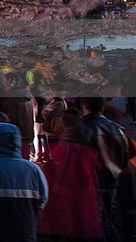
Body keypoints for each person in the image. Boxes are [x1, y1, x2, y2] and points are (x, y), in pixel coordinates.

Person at [37, 113, 104, 241]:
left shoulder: (62, 149)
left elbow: (52, 177)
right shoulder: (87, 151)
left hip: (62, 211)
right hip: (85, 210)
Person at [82, 95, 130, 242]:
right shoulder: (117, 128)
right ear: (103, 107)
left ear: (85, 106)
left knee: (95, 221)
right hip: (112, 180)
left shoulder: (80, 127)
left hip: (90, 182)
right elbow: (125, 155)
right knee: (106, 217)